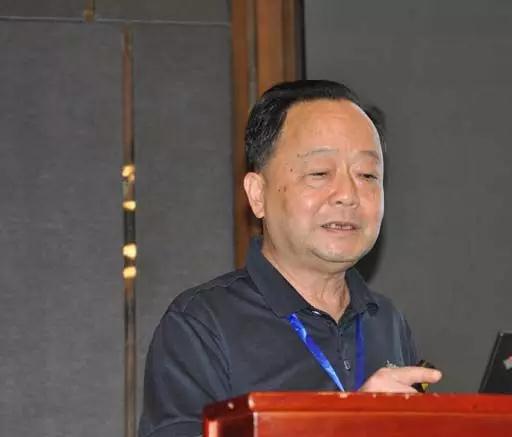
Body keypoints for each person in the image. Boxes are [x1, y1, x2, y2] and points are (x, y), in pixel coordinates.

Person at [138, 80, 442, 437]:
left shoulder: (386, 322)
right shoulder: (201, 326)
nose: (348, 194)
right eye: (320, 173)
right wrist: (348, 425)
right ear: (258, 194)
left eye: (367, 175)